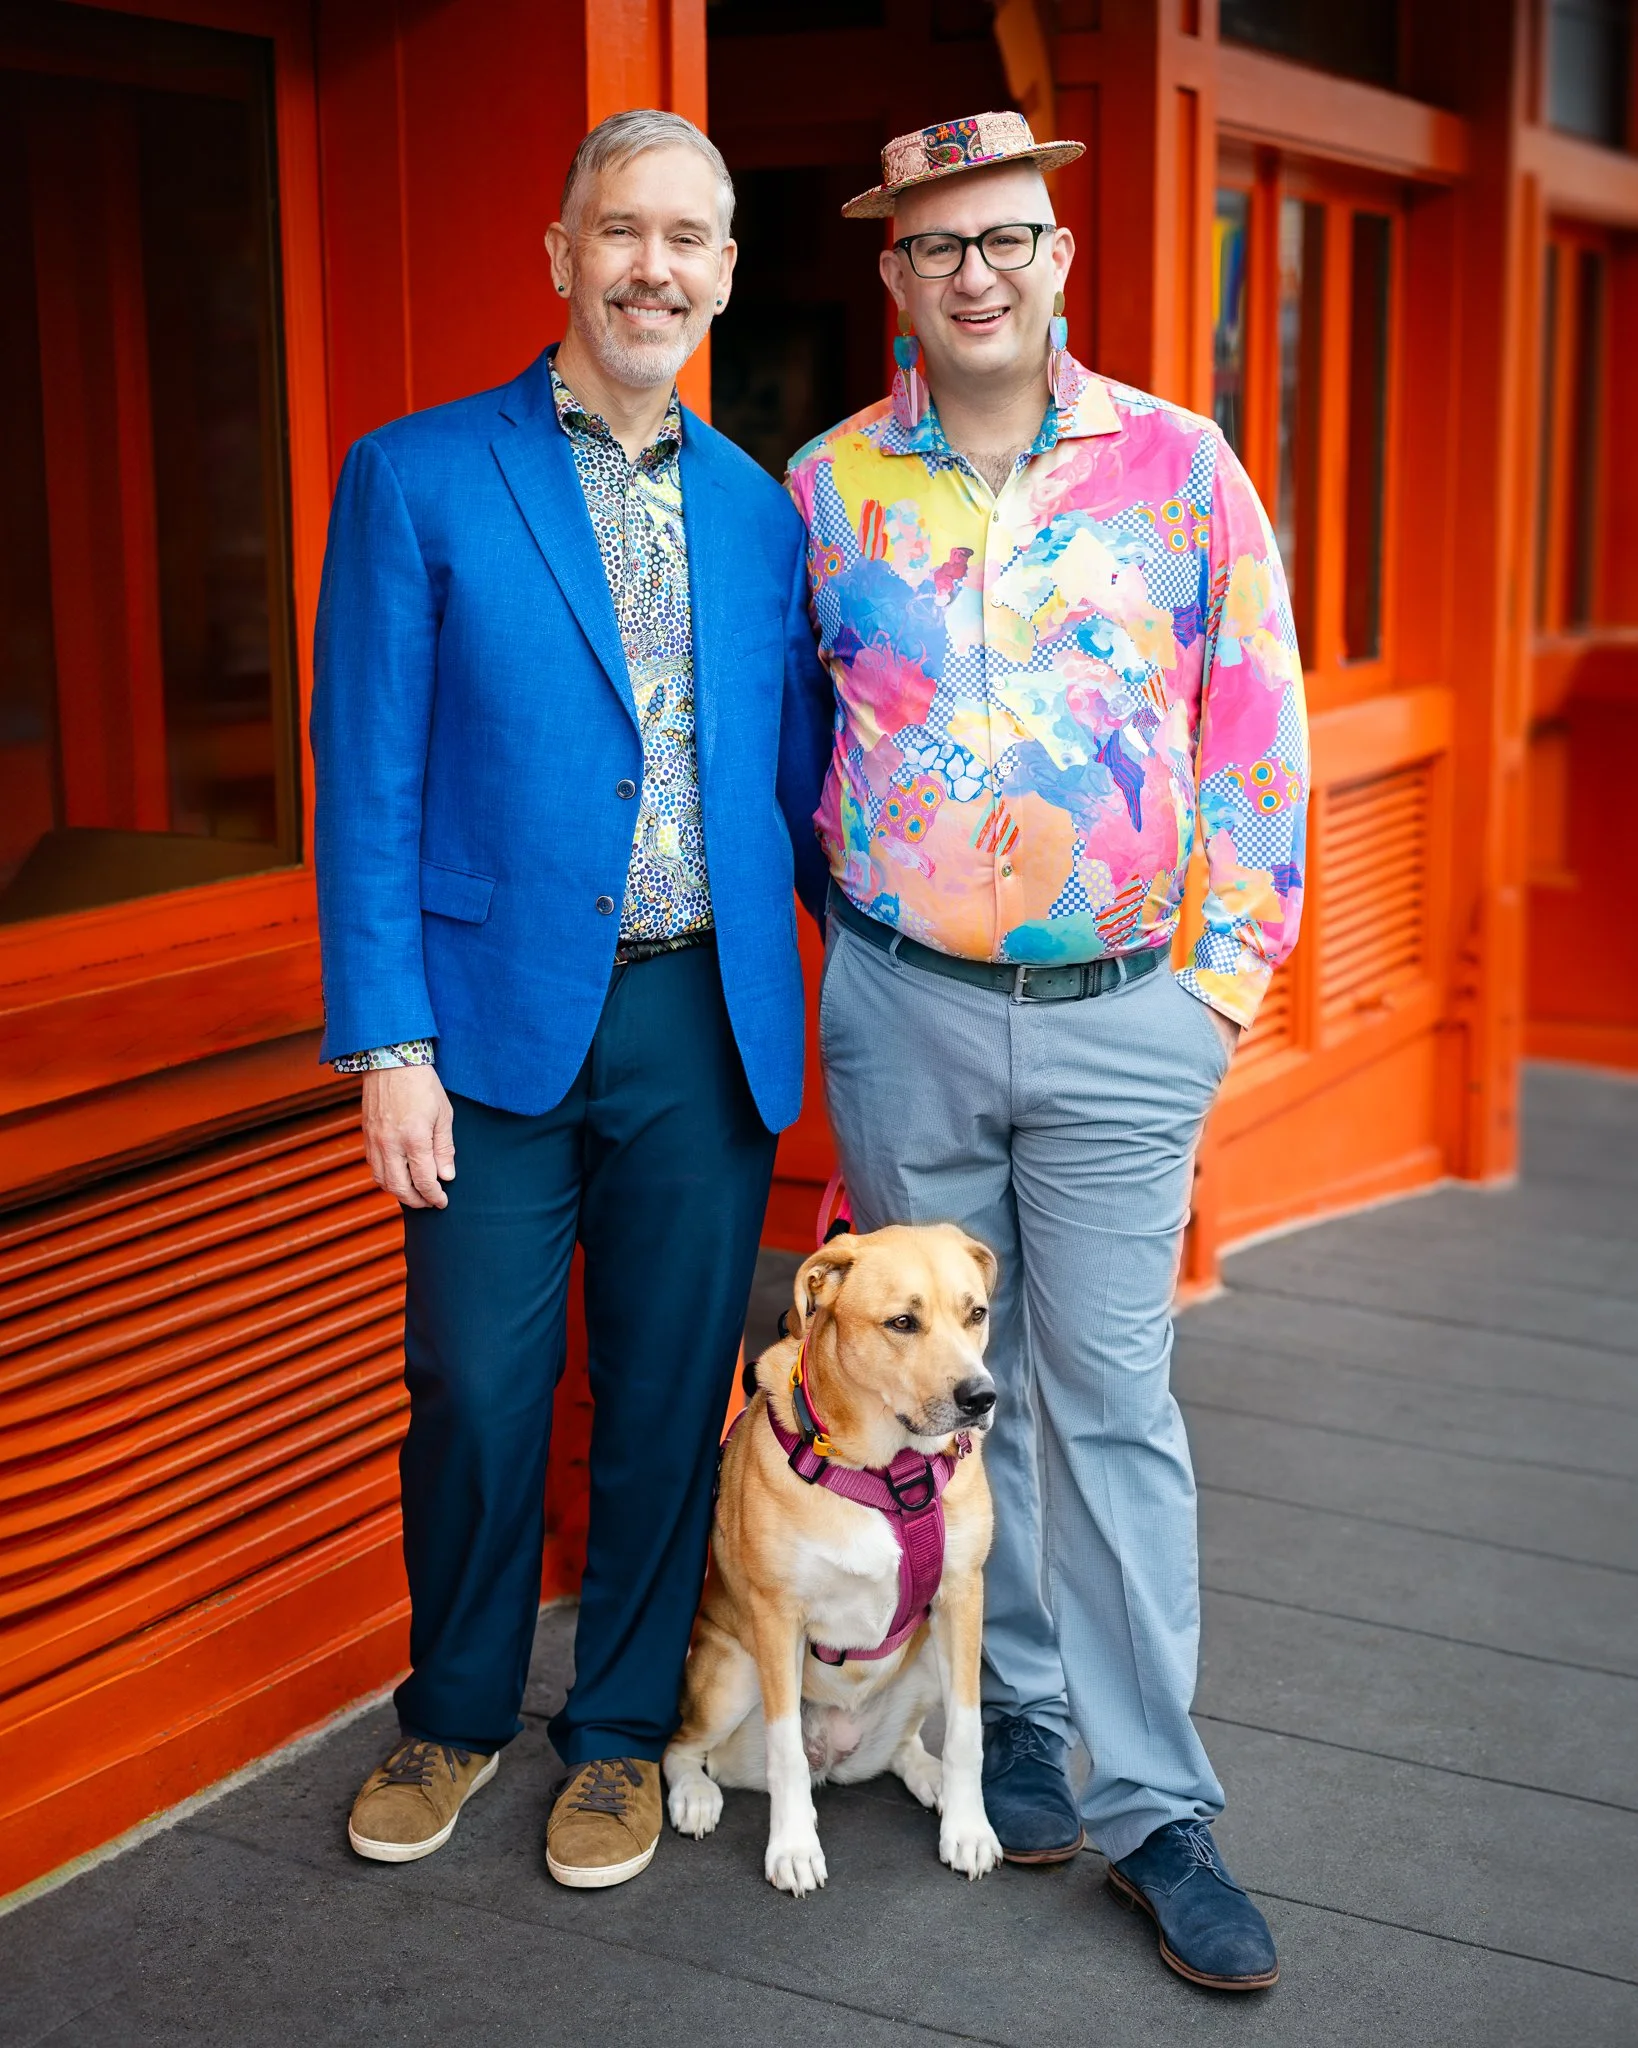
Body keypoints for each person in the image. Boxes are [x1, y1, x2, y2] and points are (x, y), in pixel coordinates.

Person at [786, 112, 1306, 1990]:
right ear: (894, 279)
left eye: (1007, 237)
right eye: (937, 250)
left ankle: (1157, 1807)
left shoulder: (1179, 470)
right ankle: (997, 1722)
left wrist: (1212, 998)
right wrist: (842, 971)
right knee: (931, 1393)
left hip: (1118, 1030)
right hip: (904, 1013)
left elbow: (1254, 735)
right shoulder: (826, 489)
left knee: (1107, 1407)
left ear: (1059, 251)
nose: (976, 273)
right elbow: (789, 758)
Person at [311, 109, 831, 1890]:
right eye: (622, 230)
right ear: (559, 251)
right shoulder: (417, 476)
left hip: (705, 1023)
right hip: (484, 1025)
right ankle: (452, 1711)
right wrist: (389, 1041)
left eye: (689, 239)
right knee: (474, 1383)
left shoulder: (764, 517)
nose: (653, 267)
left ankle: (612, 1736)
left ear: (726, 273)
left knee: (670, 1386)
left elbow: (799, 784)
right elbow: (365, 778)